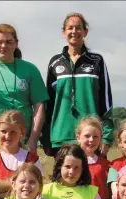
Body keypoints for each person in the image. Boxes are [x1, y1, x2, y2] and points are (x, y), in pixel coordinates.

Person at [0, 23, 49, 162]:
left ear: (16, 44)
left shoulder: (30, 70)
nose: (3, 46)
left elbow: (39, 106)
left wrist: (33, 140)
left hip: (20, 143)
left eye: (8, 42)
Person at [41, 12, 114, 158]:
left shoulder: (96, 60)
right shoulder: (55, 62)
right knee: (64, 179)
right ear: (64, 32)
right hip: (61, 136)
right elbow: (48, 104)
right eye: (70, 28)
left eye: (78, 28)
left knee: (91, 180)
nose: (74, 31)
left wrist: (106, 136)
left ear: (85, 31)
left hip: (91, 138)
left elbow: (106, 102)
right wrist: (45, 137)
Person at [0, 110, 44, 199]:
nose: (7, 136)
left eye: (13, 132)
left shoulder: (32, 159)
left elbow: (39, 188)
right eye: (3, 131)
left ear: (22, 133)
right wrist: (20, 187)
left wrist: (0, 191)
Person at [76, 116, 111, 199]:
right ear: (78, 137)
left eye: (95, 137)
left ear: (100, 138)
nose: (91, 140)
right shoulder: (71, 164)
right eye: (87, 136)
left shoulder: (106, 164)